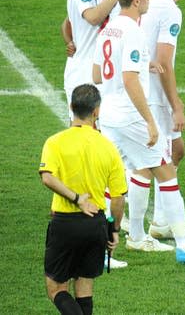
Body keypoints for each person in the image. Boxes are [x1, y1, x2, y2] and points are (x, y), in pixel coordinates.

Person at [92, 0, 185, 263]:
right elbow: (129, 79)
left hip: (109, 115)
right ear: (136, 1)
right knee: (167, 174)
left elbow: (98, 74)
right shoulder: (133, 32)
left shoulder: (109, 29)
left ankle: (122, 243)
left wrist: (140, 63)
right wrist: (149, 120)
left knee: (117, 181)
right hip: (132, 118)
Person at [39, 83, 127, 315]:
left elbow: (47, 177)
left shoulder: (55, 142)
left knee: (56, 288)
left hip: (65, 224)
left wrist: (76, 198)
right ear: (96, 111)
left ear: (71, 107)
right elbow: (118, 198)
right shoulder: (108, 147)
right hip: (95, 225)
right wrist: (114, 229)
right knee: (84, 287)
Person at [139, 0, 185, 240]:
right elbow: (163, 60)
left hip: (141, 88)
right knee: (150, 161)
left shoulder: (149, 0)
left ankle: (161, 221)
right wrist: (176, 105)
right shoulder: (171, 11)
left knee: (175, 151)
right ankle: (138, 229)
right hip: (153, 95)